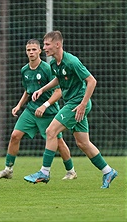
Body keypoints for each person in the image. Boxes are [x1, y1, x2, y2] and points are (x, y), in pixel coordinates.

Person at [24, 31, 118, 188]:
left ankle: (44, 172)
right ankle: (108, 171)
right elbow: (58, 79)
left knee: (50, 132)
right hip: (73, 103)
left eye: (47, 45)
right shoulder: (54, 63)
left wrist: (82, 104)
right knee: (83, 143)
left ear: (57, 45)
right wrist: (42, 90)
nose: (44, 48)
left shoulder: (72, 61)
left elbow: (91, 81)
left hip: (76, 104)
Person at [0, 39, 77, 180]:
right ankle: (8, 169)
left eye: (33, 49)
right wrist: (19, 105)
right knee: (15, 136)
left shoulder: (47, 69)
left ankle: (71, 171)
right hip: (31, 111)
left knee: (59, 143)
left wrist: (45, 105)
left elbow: (58, 91)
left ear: (39, 51)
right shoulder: (24, 70)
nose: (31, 52)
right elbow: (28, 90)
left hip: (48, 112)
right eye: (28, 50)